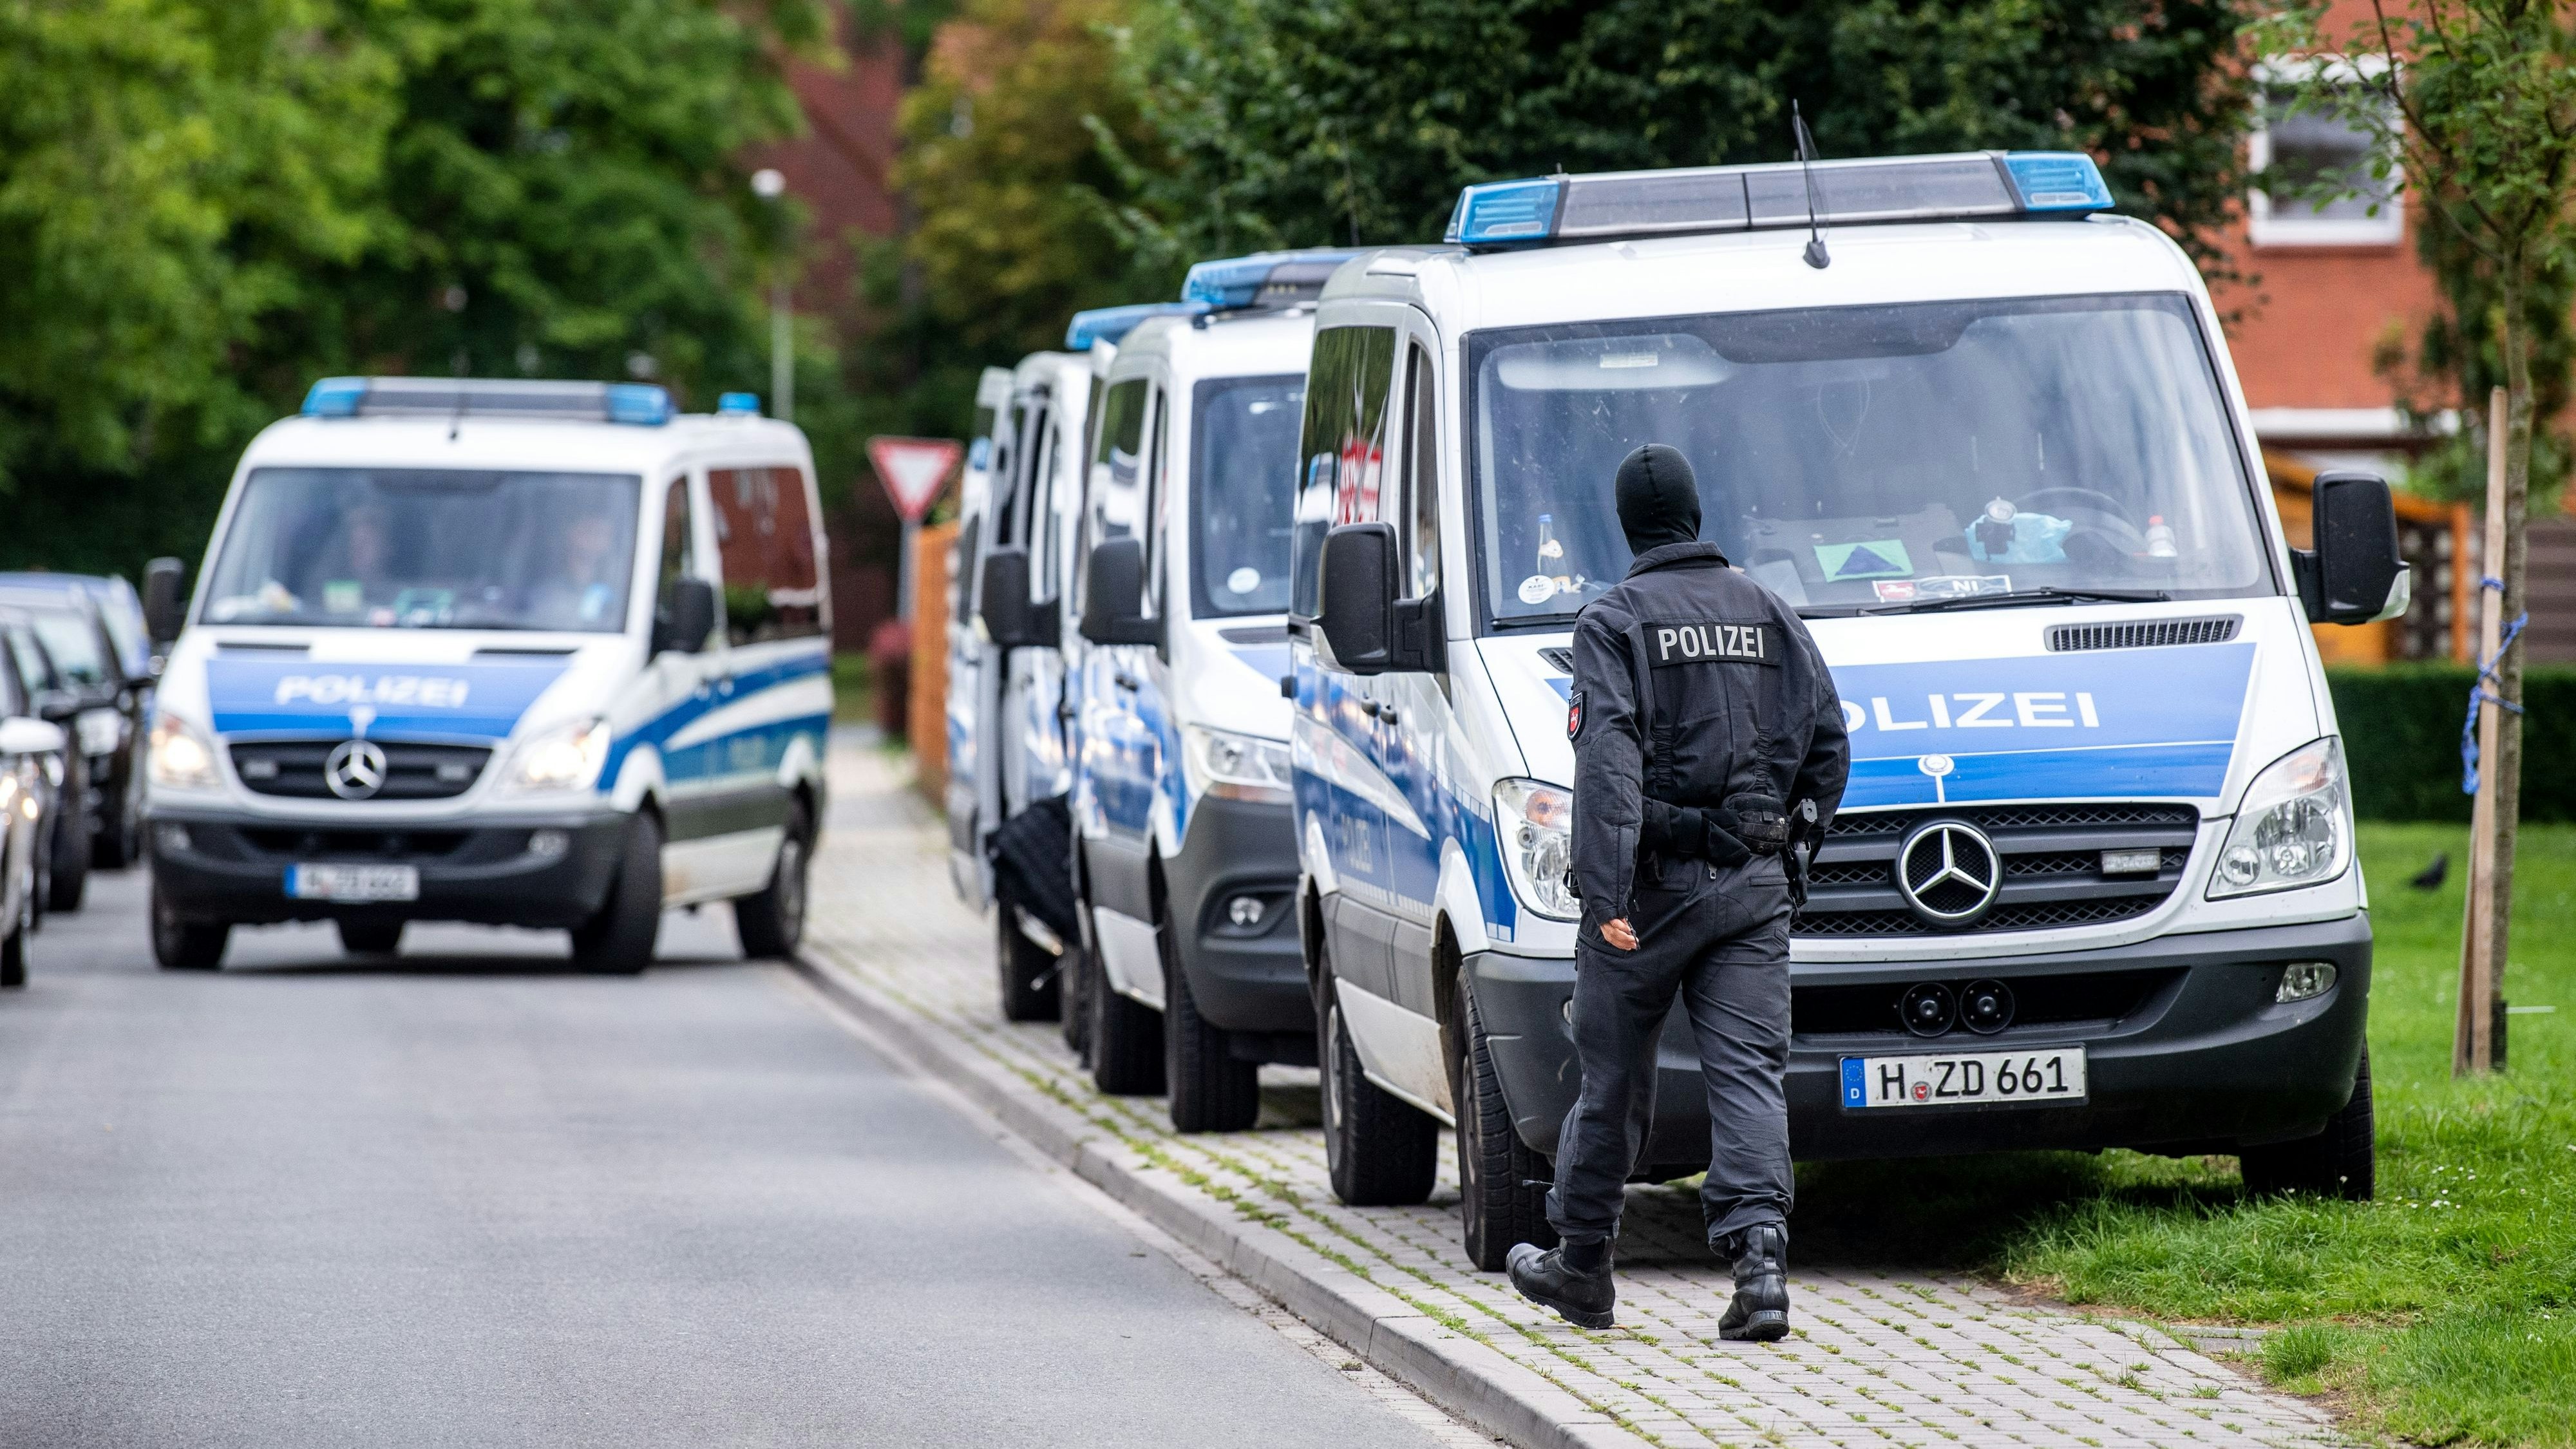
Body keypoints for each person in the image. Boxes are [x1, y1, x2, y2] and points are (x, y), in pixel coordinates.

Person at [1506, 444, 1849, 1341]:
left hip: (1649, 893)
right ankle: (1761, 1268)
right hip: (1753, 891)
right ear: (1696, 515)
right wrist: (1794, 857)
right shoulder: (1770, 611)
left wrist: (1607, 892)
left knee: (1613, 1077)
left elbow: (1609, 763)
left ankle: (1583, 1268)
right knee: (1748, 1074)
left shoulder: (1612, 621)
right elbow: (1829, 746)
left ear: (1626, 525)